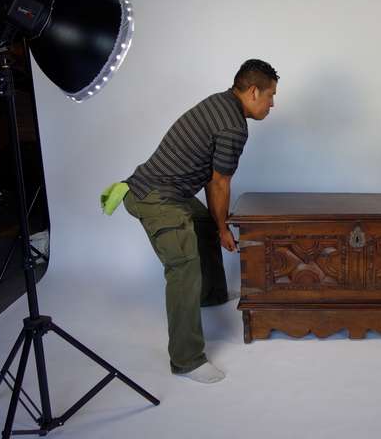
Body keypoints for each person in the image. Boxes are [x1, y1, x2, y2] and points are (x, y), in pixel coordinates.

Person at [102, 59, 278, 382]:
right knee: (183, 266)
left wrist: (217, 224)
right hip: (155, 198)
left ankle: (211, 296)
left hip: (170, 192)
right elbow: (219, 183)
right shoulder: (233, 126)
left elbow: (215, 183)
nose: (272, 104)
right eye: (270, 96)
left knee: (204, 223)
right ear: (253, 92)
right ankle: (187, 360)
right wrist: (225, 227)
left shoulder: (221, 102)